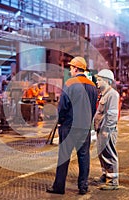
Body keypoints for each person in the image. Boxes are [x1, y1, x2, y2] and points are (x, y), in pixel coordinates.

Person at [46, 56, 98, 195]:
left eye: (71, 68)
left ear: (76, 68)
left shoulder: (70, 83)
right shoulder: (93, 86)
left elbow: (63, 106)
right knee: (84, 156)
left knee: (64, 157)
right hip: (84, 127)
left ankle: (59, 187)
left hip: (69, 126)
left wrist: (60, 121)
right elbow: (94, 107)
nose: (70, 70)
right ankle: (83, 186)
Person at [92, 69, 120, 190]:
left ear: (107, 81)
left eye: (99, 80)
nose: (97, 82)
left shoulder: (113, 95)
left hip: (107, 131)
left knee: (109, 154)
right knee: (102, 153)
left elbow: (112, 115)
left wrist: (106, 131)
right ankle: (106, 175)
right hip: (101, 130)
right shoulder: (104, 94)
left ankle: (113, 181)